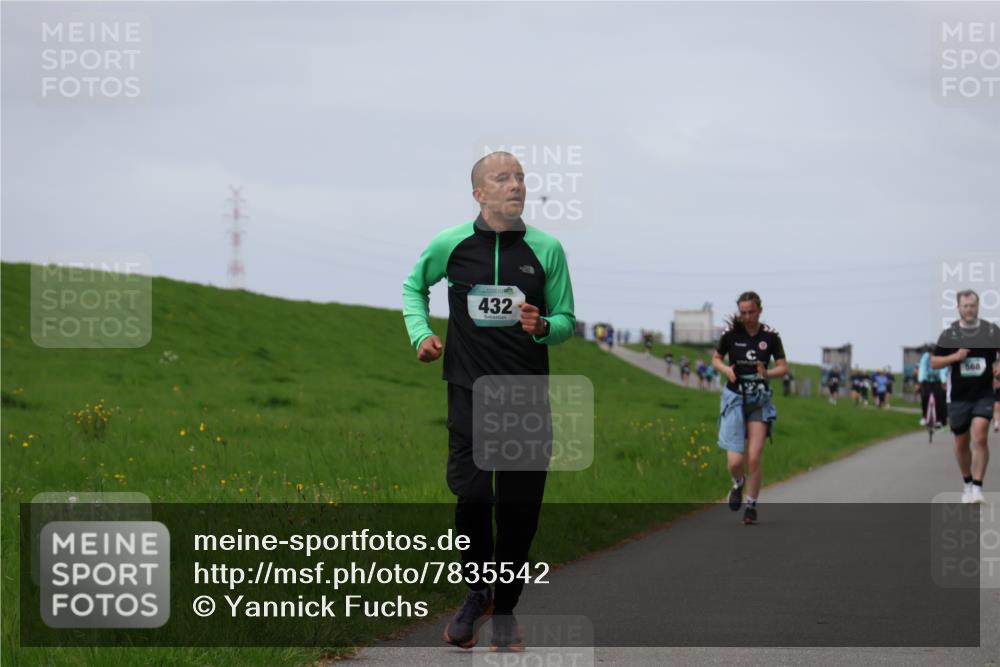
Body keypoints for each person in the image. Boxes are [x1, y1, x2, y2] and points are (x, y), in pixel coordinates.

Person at [402, 151, 576, 649]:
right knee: (474, 496)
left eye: (520, 177)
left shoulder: (547, 249)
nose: (515, 185)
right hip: (469, 393)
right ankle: (478, 593)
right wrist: (421, 335)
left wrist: (543, 326)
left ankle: (507, 610)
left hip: (525, 397)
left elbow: (566, 320)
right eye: (503, 178)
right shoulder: (450, 244)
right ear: (479, 193)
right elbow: (414, 287)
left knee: (520, 510)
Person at [712, 291, 788, 525]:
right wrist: (726, 370)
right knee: (735, 461)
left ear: (760, 311)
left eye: (751, 312)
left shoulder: (771, 336)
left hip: (759, 399)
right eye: (743, 312)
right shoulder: (730, 335)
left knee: (754, 457)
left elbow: (783, 367)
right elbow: (716, 359)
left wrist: (767, 373)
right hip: (734, 398)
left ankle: (751, 505)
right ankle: (737, 483)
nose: (746, 317)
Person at [931, 289, 1000, 504]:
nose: (969, 309)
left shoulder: (990, 331)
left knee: (980, 435)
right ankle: (967, 482)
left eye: (973, 305)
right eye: (965, 305)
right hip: (958, 396)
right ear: (958, 307)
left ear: (978, 306)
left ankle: (978, 487)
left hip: (984, 393)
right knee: (962, 442)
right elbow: (934, 362)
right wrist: (955, 356)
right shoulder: (949, 334)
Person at [918, 344, 948, 428]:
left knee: (939, 398)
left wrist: (943, 381)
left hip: (938, 381)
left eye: (933, 352)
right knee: (924, 396)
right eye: (930, 352)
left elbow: (943, 369)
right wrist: (921, 380)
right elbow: (922, 368)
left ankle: (939, 420)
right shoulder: (925, 357)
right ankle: (924, 416)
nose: (932, 354)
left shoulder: (940, 357)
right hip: (927, 380)